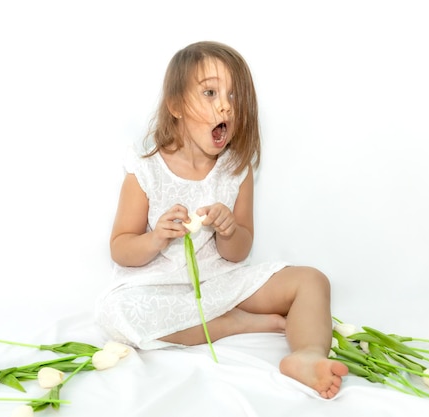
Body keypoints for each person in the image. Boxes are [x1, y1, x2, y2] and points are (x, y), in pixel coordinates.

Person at [95, 40, 348, 399]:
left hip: (222, 279)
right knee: (115, 314)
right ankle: (234, 324)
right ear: (176, 105)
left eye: (234, 95)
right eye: (210, 92)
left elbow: (238, 253)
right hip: (162, 285)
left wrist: (229, 230)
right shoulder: (146, 170)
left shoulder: (234, 170)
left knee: (311, 280)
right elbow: (120, 248)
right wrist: (156, 238)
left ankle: (307, 354)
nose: (226, 105)